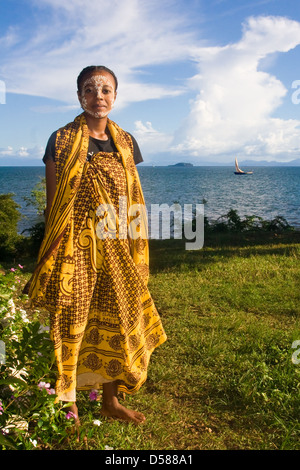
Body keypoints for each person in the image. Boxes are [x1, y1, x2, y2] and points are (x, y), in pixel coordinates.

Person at [25, 65, 167, 427]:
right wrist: (54, 249)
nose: (98, 96)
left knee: (119, 317)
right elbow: (54, 202)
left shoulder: (127, 142)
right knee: (71, 318)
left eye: (106, 90)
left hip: (118, 245)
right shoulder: (60, 140)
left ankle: (110, 401)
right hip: (76, 246)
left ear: (115, 97)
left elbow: (133, 197)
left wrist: (137, 248)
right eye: (90, 89)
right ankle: (68, 405)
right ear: (79, 96)